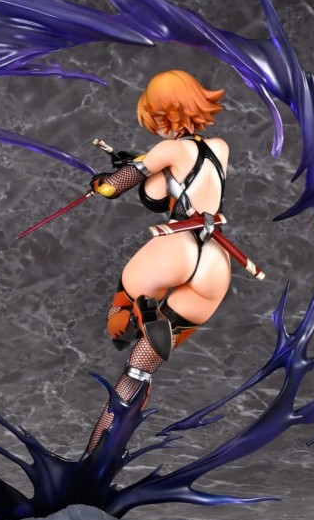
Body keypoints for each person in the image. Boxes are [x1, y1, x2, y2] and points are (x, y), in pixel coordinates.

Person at [86, 69, 232, 453]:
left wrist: (100, 181)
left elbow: (111, 189)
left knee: (119, 317)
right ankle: (101, 457)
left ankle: (143, 316)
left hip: (176, 245)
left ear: (164, 111)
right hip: (213, 261)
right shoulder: (220, 148)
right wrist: (139, 161)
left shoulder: (168, 150)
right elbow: (174, 180)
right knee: (139, 371)